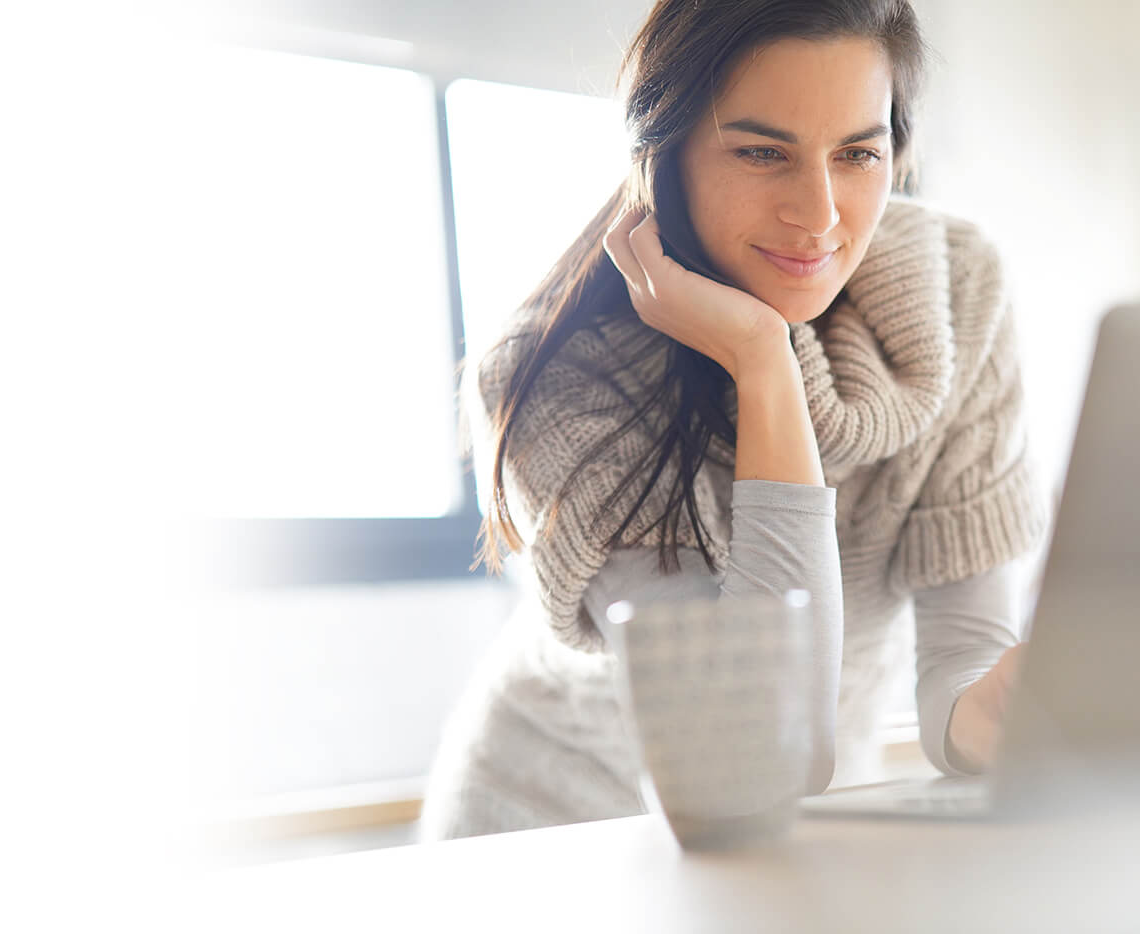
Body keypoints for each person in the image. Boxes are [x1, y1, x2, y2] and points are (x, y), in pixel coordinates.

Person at [419, 0, 1049, 841]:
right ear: (663, 154)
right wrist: (763, 359)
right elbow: (755, 763)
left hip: (806, 832)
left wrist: (1003, 710)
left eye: (858, 152)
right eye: (762, 152)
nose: (819, 214)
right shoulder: (557, 381)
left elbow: (959, 665)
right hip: (555, 830)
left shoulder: (957, 294)